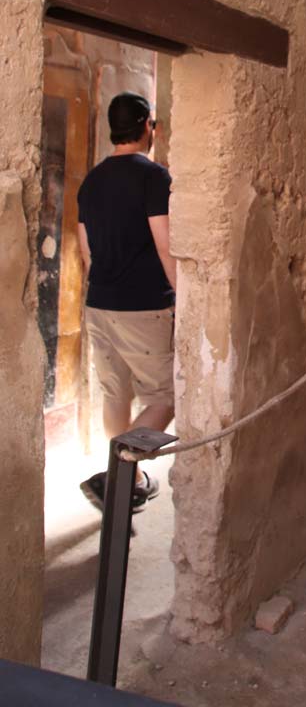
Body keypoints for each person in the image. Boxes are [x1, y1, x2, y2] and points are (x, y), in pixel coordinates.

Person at [77, 91, 176, 513]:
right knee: (166, 397)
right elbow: (166, 245)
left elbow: (86, 252)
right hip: (145, 306)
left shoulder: (91, 180)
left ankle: (129, 479)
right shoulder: (155, 177)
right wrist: (184, 299)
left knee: (115, 395)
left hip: (99, 301)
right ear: (146, 126)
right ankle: (117, 478)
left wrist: (102, 291)